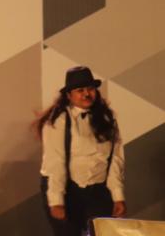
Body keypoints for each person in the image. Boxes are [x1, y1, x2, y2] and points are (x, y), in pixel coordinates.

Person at [37, 66, 125, 236]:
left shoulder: (107, 119)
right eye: (80, 90)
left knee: (103, 232)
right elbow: (55, 162)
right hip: (67, 190)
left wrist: (117, 196)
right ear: (69, 95)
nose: (86, 94)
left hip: (98, 190)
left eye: (90, 89)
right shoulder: (58, 121)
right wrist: (57, 200)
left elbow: (115, 159)